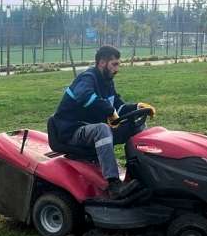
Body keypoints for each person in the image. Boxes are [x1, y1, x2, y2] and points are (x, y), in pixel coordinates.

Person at [50, 45, 156, 200]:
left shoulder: (107, 82)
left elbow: (118, 106)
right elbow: (85, 96)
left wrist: (137, 107)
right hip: (72, 131)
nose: (117, 69)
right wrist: (109, 110)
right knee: (102, 129)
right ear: (101, 63)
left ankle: (140, 173)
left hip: (88, 130)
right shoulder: (87, 78)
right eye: (114, 64)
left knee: (137, 125)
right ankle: (114, 185)